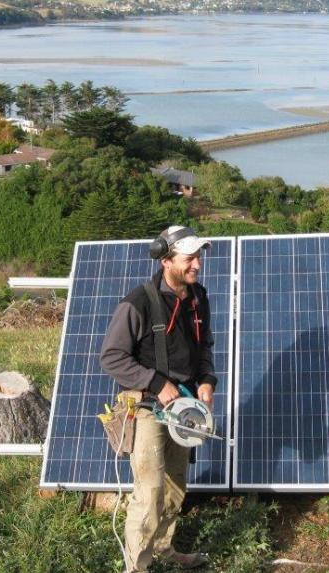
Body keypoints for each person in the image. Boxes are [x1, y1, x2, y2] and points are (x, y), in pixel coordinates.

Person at [100, 225, 217, 573]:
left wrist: (207, 379)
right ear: (166, 260)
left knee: (175, 485)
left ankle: (164, 548)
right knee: (149, 490)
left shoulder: (198, 297)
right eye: (190, 258)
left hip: (184, 409)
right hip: (148, 408)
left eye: (199, 256)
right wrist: (155, 382)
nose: (198, 264)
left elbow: (204, 346)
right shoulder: (138, 303)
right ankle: (136, 567)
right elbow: (112, 357)